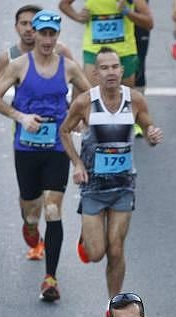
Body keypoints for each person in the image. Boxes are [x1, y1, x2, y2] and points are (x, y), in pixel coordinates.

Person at [0, 11, 92, 302]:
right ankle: (30, 227)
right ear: (35, 34)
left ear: (57, 36)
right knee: (32, 209)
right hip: (27, 148)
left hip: (57, 147)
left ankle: (50, 278)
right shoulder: (19, 65)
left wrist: (81, 118)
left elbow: (89, 95)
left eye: (51, 34)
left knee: (53, 209)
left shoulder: (68, 67)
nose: (47, 40)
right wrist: (20, 116)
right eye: (42, 33)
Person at [60, 48, 165, 299]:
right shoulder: (85, 102)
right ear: (96, 73)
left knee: (116, 249)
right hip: (93, 186)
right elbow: (64, 131)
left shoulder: (136, 100)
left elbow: (148, 128)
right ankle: (86, 237)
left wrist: (152, 136)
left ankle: (113, 306)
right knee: (96, 253)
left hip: (123, 184)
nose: (110, 72)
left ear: (122, 70)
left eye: (115, 67)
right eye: (104, 68)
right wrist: (77, 163)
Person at [0, 5, 46, 262]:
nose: (29, 29)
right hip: (25, 135)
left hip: (56, 135)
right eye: (23, 23)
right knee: (31, 195)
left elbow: (79, 89)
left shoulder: (60, 54)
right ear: (16, 27)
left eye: (33, 24)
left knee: (52, 194)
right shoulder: (9, 58)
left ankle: (50, 236)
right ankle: (31, 224)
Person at [58, 0, 153, 88]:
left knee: (124, 99)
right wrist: (78, 17)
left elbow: (149, 23)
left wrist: (127, 11)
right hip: (94, 50)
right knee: (93, 97)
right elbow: (64, 4)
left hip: (124, 52)